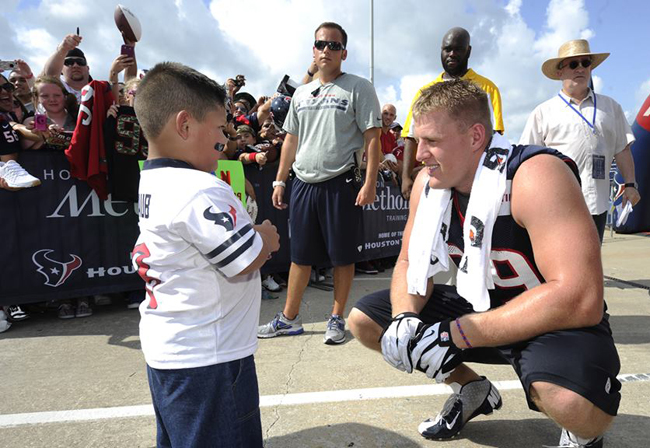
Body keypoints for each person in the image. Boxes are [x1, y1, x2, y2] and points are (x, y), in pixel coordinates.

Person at [348, 80, 620, 448]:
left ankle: (581, 433)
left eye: (431, 141)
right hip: (482, 303)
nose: (420, 153)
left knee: (570, 401)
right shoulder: (429, 184)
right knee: (367, 321)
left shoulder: (534, 174)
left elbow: (581, 296)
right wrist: (404, 317)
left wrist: (457, 334)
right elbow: (411, 262)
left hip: (549, 318)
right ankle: (471, 388)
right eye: (417, 140)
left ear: (476, 136)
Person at [131, 61, 280, 447]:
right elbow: (245, 259)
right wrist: (264, 235)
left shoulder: (153, 178)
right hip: (209, 359)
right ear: (184, 125)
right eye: (219, 128)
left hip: (172, 352)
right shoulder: (199, 188)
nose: (226, 139)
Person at [258, 22, 382, 345]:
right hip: (303, 184)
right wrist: (279, 180)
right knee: (300, 255)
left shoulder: (359, 87)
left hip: (341, 182)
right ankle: (289, 318)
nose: (327, 50)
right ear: (313, 50)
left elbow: (372, 140)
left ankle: (337, 318)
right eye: (321, 44)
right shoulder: (301, 93)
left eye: (334, 45)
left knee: (342, 256)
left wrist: (369, 183)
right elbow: (290, 140)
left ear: (344, 52)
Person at [519, 39, 640, 241]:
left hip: (598, 204)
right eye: (574, 64)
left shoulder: (611, 107)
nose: (581, 68)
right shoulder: (543, 113)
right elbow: (526, 162)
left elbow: (622, 149)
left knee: (593, 262)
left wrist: (630, 185)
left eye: (586, 63)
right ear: (560, 72)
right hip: (557, 205)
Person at [400, 27, 504, 200]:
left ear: (468, 51)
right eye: (447, 49)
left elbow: (495, 135)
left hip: (473, 182)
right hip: (436, 179)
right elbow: (410, 136)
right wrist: (405, 176)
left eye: (458, 49)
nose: (452, 54)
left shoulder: (487, 89)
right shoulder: (424, 92)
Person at [42, 33, 91, 104]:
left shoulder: (100, 89)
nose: (75, 65)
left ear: (88, 68)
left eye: (80, 62)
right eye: (69, 62)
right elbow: (50, 75)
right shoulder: (56, 88)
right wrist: (63, 48)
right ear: (61, 69)